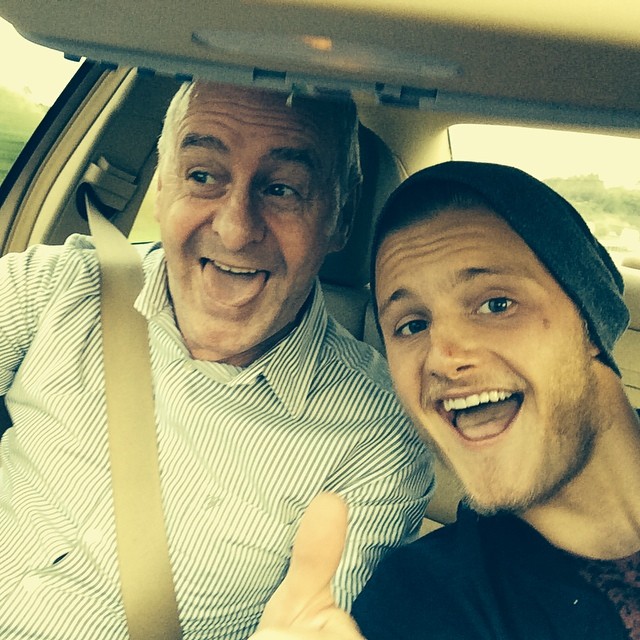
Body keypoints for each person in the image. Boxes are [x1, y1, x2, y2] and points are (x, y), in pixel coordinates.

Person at [0, 81, 434, 639]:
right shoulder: (54, 285)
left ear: (340, 218)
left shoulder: (377, 438)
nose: (234, 229)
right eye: (203, 176)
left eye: (282, 189)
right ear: (162, 188)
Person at [250, 161, 640, 640]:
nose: (442, 357)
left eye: (496, 304)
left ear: (590, 318)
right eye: (412, 325)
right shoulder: (418, 603)